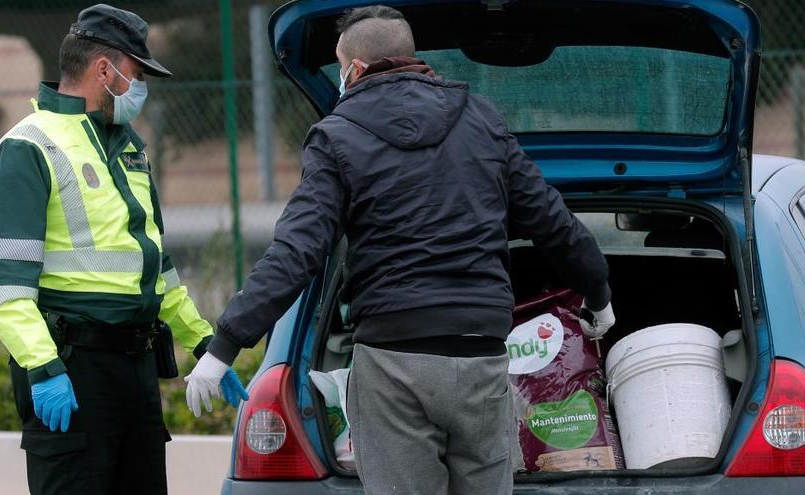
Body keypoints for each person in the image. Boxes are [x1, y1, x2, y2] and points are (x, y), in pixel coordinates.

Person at [185, 5, 615, 494]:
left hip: (394, 359)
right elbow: (553, 222)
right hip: (481, 356)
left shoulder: (337, 136)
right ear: (410, 57)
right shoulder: (483, 122)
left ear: (354, 69)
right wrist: (596, 293)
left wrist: (225, 344)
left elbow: (298, 251)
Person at [0, 4, 246, 494]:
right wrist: (44, 369)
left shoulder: (129, 148)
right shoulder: (27, 147)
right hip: (74, 371)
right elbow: (6, 286)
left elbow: (154, 268)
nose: (140, 86)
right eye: (136, 72)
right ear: (104, 70)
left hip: (136, 371)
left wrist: (203, 342)